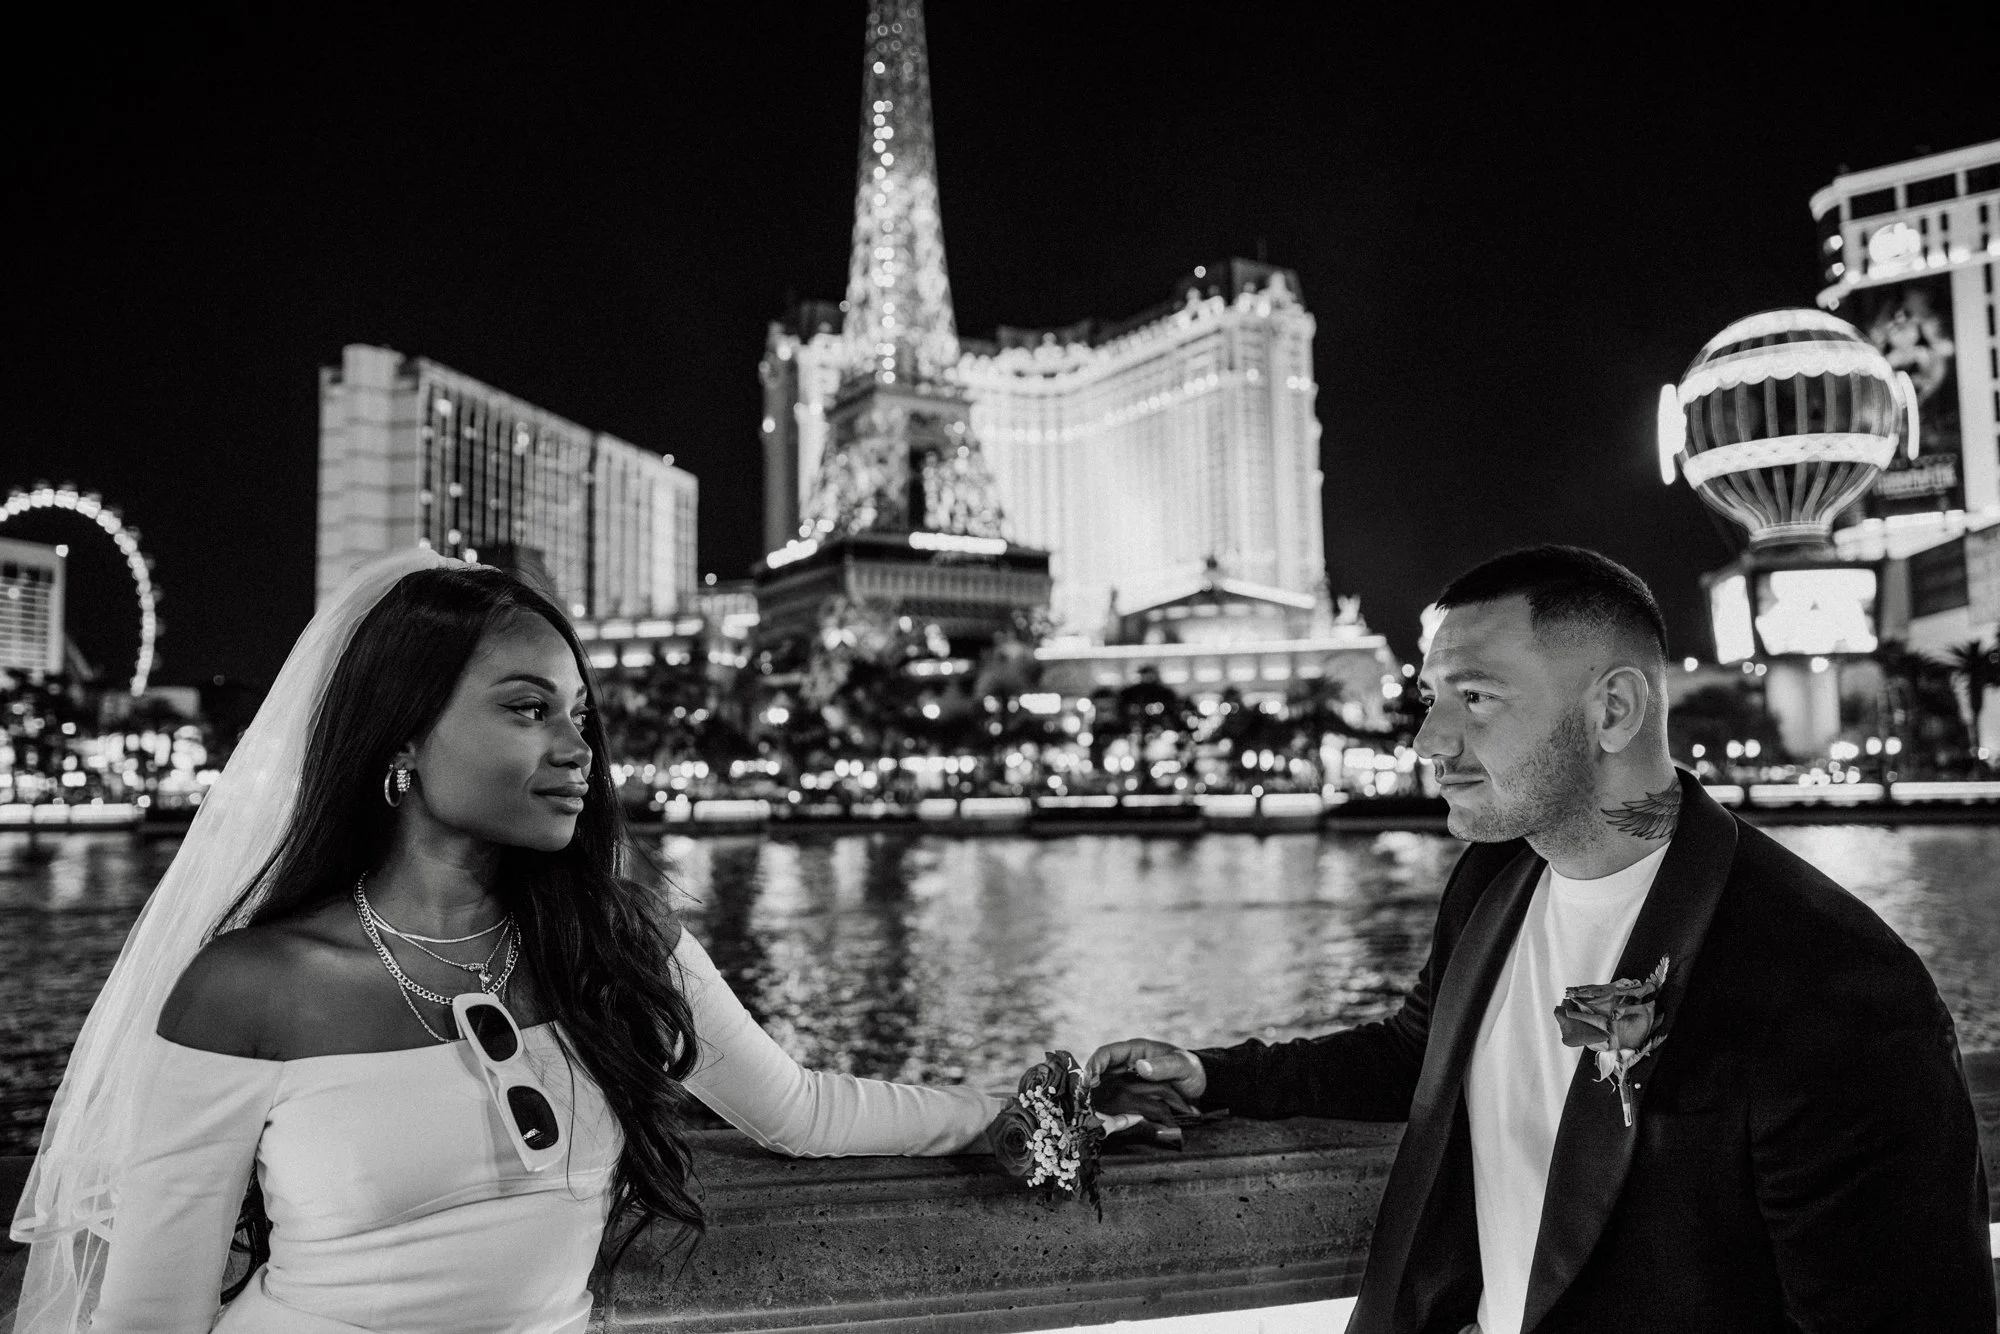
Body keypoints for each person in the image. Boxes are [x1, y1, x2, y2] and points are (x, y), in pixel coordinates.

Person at [9, 550, 1003, 1333]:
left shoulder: (614, 942)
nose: (577, 747)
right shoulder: (249, 989)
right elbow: (151, 1317)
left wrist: (1039, 1103)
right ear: (401, 740)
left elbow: (800, 1110)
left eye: (580, 715)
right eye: (528, 709)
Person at [1090, 546, 1995, 1333]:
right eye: (1431, 696)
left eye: (1475, 698)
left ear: (1614, 711)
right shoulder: (1496, 875)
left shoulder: (1834, 983)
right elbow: (1422, 1048)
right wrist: (1217, 1076)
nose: (1425, 741)